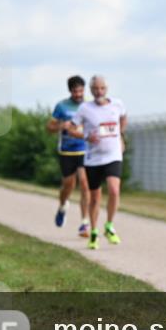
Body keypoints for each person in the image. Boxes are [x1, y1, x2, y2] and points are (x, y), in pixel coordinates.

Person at [68, 75, 127, 250]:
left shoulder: (117, 104)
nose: (99, 92)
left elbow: (123, 117)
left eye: (102, 88)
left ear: (106, 88)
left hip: (113, 155)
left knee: (114, 190)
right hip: (93, 159)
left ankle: (109, 225)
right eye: (95, 89)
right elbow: (71, 129)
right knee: (95, 197)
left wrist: (121, 136)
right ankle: (94, 232)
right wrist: (86, 136)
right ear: (91, 90)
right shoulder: (85, 108)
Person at [47, 75, 91, 237]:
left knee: (85, 184)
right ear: (70, 91)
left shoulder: (89, 106)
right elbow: (49, 127)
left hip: (85, 150)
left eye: (80, 91)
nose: (78, 94)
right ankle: (63, 205)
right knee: (68, 185)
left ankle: (84, 223)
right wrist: (60, 125)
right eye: (75, 91)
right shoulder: (62, 106)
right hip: (66, 151)